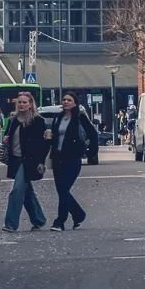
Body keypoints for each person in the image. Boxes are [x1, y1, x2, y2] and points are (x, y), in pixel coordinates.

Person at [47, 91, 99, 230]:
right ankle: (78, 214)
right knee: (62, 191)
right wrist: (49, 138)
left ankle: (60, 221)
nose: (65, 102)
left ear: (75, 103)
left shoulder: (79, 118)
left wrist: (90, 153)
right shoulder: (58, 118)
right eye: (64, 100)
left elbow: (93, 135)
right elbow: (54, 137)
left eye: (69, 100)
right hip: (58, 158)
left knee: (63, 189)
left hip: (72, 159)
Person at [1, 89, 50, 232]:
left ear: (30, 104)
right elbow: (8, 137)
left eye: (24, 102)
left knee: (16, 190)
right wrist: (6, 140)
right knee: (26, 191)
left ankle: (10, 224)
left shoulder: (37, 121)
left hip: (29, 161)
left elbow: (44, 144)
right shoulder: (13, 120)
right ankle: (39, 219)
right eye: (19, 102)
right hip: (15, 160)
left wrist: (41, 161)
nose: (21, 105)